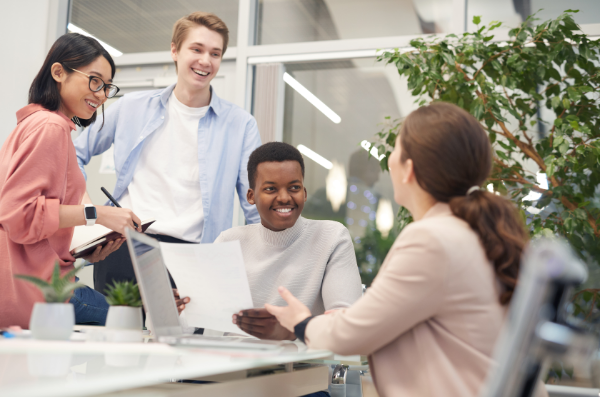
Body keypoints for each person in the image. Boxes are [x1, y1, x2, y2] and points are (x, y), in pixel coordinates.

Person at [265, 102, 531, 396]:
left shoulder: (431, 240)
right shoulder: (473, 231)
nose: (388, 162)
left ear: (409, 169)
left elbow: (351, 337)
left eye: (395, 150)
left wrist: (301, 322)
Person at [73, 12, 261, 295]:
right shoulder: (131, 107)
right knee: (119, 338)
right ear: (175, 50)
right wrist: (92, 213)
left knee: (184, 340)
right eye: (196, 49)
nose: (205, 61)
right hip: (125, 248)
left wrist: (264, 263)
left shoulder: (241, 125)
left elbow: (254, 205)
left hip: (195, 257)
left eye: (215, 53)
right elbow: (72, 155)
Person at [0, 33, 142, 328]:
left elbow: (37, 219)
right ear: (58, 72)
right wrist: (99, 214)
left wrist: (83, 250)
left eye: (106, 87)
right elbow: (18, 214)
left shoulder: (35, 123)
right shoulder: (50, 127)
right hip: (39, 292)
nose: (101, 95)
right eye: (94, 81)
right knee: (131, 322)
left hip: (31, 283)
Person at [176, 142, 362, 340]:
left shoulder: (331, 237)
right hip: (231, 361)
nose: (284, 197)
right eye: (271, 189)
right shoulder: (228, 241)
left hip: (301, 367)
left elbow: (347, 324)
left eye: (294, 187)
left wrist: (292, 330)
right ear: (251, 196)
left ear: (304, 193)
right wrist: (174, 308)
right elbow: (187, 326)